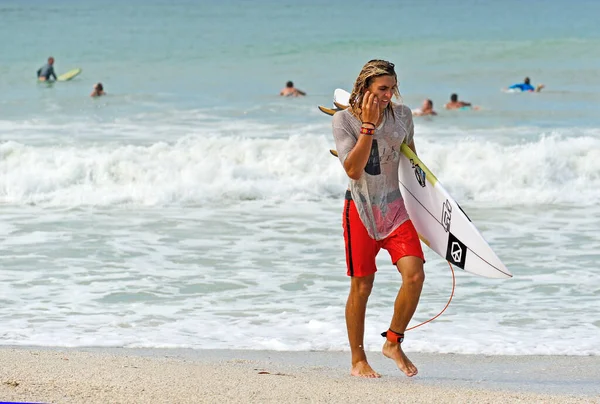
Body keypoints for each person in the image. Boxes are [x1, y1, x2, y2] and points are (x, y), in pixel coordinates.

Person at [331, 59, 425, 378]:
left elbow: (410, 160)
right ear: (365, 88)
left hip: (395, 208)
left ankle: (393, 341)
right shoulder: (345, 120)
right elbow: (354, 170)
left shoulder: (403, 116)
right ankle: (358, 360)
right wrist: (368, 127)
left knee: (414, 275)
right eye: (382, 89)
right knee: (362, 285)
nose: (388, 95)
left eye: (392, 88)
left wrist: (431, 214)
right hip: (360, 209)